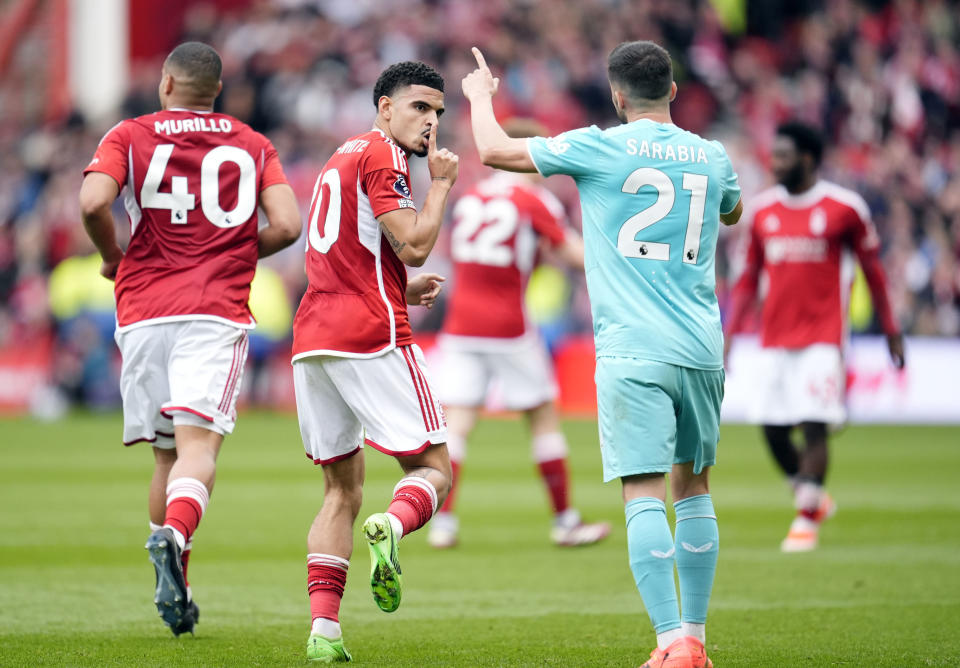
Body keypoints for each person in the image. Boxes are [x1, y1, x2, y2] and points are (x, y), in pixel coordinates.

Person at [462, 41, 742, 668]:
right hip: (699, 346)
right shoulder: (713, 155)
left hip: (631, 351)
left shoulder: (598, 145)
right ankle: (695, 640)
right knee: (693, 486)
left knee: (642, 489)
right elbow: (732, 208)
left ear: (617, 97)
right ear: (673, 90)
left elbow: (494, 151)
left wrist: (481, 97)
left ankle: (670, 641)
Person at [78, 41, 301, 636]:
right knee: (199, 449)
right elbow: (288, 225)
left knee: (166, 454)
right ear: (217, 90)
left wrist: (113, 257)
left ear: (166, 83)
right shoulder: (252, 143)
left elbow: (94, 201)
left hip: (144, 310)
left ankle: (175, 576)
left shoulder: (129, 133)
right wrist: (230, 252)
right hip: (212, 310)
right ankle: (174, 537)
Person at [290, 61, 458, 662]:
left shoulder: (342, 155)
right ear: (384, 106)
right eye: (419, 107)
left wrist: (396, 285)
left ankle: (324, 633)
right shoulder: (384, 156)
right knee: (436, 469)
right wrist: (439, 184)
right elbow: (413, 242)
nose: (431, 122)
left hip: (314, 337)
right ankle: (394, 525)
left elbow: (348, 251)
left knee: (340, 490)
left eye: (438, 111)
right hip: (369, 333)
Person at [429, 118, 610, 550]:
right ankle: (565, 520)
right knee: (543, 417)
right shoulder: (534, 200)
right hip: (509, 326)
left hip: (460, 325)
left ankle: (443, 524)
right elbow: (573, 254)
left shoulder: (470, 196)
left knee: (458, 425)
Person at [724, 121, 904, 553]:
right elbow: (749, 278)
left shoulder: (844, 208)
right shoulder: (763, 212)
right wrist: (729, 333)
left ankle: (805, 520)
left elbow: (873, 273)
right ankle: (811, 495)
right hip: (773, 337)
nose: (775, 162)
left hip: (824, 338)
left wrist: (891, 330)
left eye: (783, 155)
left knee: (814, 426)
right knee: (771, 428)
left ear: (807, 159)